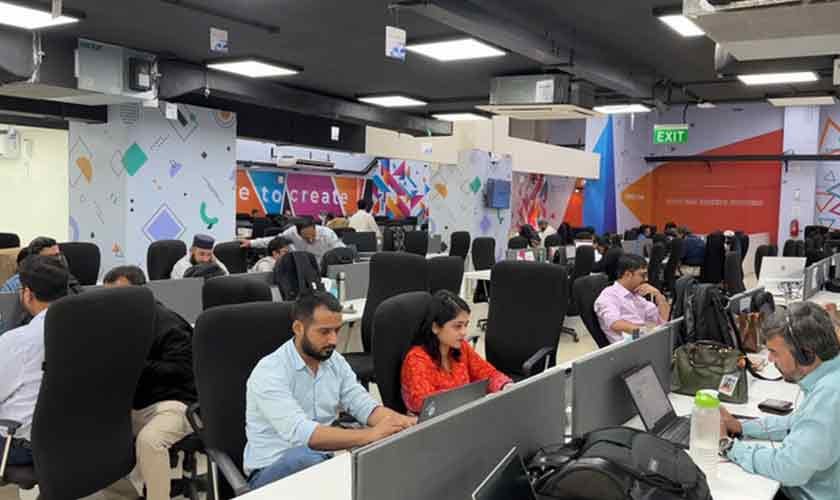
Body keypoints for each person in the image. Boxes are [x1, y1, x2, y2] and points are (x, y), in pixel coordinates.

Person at [244, 291, 416, 489]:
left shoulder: (334, 362)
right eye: (324, 332)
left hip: (321, 461)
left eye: (337, 330)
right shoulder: (270, 371)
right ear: (298, 328)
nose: (333, 340)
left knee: (388, 455)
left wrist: (401, 423)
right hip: (271, 472)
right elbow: (303, 434)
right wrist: (370, 435)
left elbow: (363, 405)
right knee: (306, 458)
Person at [719, 302, 840, 500]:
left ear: (805, 354)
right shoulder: (831, 375)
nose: (770, 360)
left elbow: (789, 469)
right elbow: (796, 423)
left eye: (774, 352)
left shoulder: (829, 396)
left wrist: (727, 445)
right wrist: (740, 426)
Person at [103, 266, 197, 500]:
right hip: (133, 403)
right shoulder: (116, 323)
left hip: (174, 403)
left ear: (141, 294)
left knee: (150, 441)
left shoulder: (169, 324)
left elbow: (182, 370)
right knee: (97, 435)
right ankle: (127, 495)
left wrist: (134, 364)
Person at [0, 256, 69, 466]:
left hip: (22, 444)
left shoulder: (19, 341)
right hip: (76, 437)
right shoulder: (90, 329)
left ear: (28, 294)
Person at [401, 291, 511, 414]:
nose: (464, 332)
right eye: (457, 326)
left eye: (466, 325)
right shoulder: (416, 359)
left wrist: (505, 386)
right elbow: (428, 405)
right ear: (435, 327)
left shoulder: (461, 347)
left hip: (463, 413)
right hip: (435, 422)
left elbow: (487, 373)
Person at [594, 254, 670, 344]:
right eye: (643, 275)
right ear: (628, 274)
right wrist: (644, 333)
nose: (646, 279)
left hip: (642, 340)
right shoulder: (608, 296)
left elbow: (662, 320)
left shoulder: (636, 295)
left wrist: (658, 295)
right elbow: (615, 323)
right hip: (628, 346)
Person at [242, 219, 344, 262]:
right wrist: (251, 242)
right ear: (298, 233)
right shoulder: (292, 233)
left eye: (313, 236)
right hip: (302, 265)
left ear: (315, 228)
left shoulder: (327, 234)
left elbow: (341, 251)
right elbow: (276, 240)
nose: (310, 240)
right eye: (306, 238)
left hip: (323, 265)